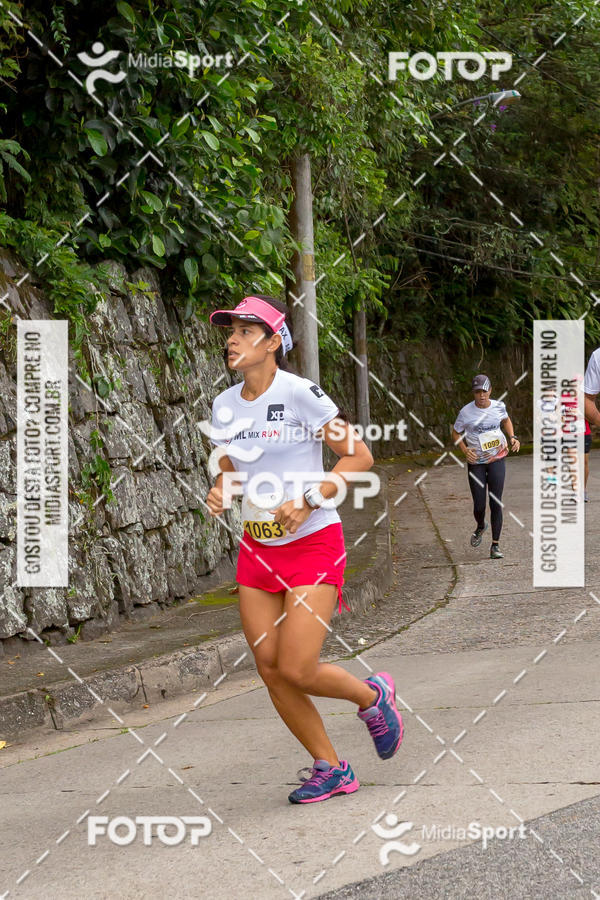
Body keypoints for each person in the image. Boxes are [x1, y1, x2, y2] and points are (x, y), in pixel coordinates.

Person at [205, 294, 403, 804]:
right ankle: (331, 768)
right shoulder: (224, 405)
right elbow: (231, 465)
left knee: (296, 666)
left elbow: (359, 455)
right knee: (270, 667)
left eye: (246, 331)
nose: (232, 338)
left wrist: (311, 496)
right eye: (230, 330)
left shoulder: (301, 395)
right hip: (258, 548)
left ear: (273, 343)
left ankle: (372, 695)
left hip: (314, 542)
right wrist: (222, 489)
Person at [451, 374, 520, 559]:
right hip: (476, 463)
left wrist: (512, 437)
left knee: (496, 501)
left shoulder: (498, 407)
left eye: (484, 391)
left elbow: (506, 420)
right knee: (479, 505)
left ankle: (495, 545)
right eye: (477, 392)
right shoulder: (466, 412)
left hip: (497, 458)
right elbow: (456, 433)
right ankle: (481, 525)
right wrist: (465, 450)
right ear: (473, 393)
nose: (481, 395)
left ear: (490, 390)